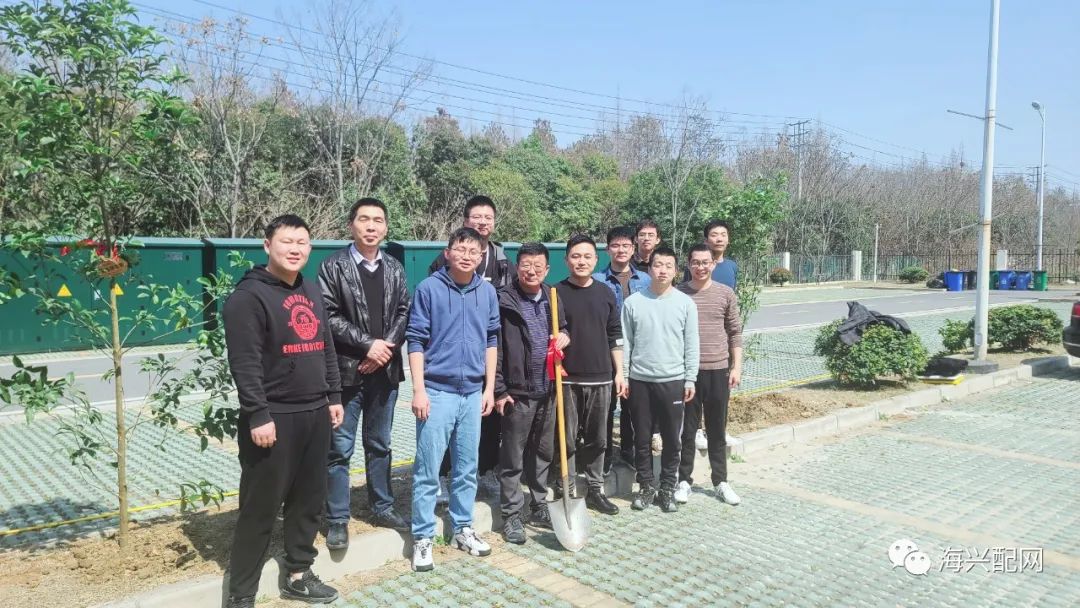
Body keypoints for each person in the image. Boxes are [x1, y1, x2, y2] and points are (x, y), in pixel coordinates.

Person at [224, 214, 343, 607]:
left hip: (315, 412)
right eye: (286, 241)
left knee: (308, 502)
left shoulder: (311, 289)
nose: (295, 249)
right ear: (267, 245)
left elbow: (325, 346)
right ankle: (241, 594)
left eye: (302, 242)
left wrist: (333, 396)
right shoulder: (248, 297)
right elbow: (245, 363)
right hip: (273, 418)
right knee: (259, 509)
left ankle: (298, 574)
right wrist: (258, 414)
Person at [319, 198, 411, 551]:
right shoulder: (333, 266)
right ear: (351, 225)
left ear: (386, 227)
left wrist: (383, 350)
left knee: (380, 444)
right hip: (347, 372)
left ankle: (382, 506)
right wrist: (367, 345)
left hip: (384, 372)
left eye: (378, 220)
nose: (371, 226)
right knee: (339, 448)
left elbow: (404, 310)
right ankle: (337, 518)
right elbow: (328, 315)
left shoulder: (394, 268)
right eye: (364, 219)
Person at [407, 227, 500, 572]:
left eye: (473, 251)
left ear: (481, 256)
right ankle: (422, 537)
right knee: (428, 470)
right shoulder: (429, 289)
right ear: (447, 253)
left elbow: (491, 340)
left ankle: (463, 527)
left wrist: (489, 388)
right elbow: (415, 340)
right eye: (460, 249)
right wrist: (419, 389)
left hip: (473, 393)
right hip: (437, 391)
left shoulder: (487, 292)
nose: (466, 256)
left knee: (466, 468)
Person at [427, 195, 512, 499]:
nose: (482, 222)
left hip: (488, 346)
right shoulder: (445, 260)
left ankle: (484, 470)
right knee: (446, 421)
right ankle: (442, 474)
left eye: (488, 217)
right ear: (465, 220)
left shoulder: (503, 260)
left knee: (488, 416)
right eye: (476, 217)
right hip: (450, 356)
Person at [493, 243, 570, 544]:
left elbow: (563, 328)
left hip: (549, 389)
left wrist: (565, 336)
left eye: (538, 266)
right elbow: (495, 347)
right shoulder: (503, 300)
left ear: (547, 269)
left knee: (543, 453)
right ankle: (512, 514)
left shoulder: (552, 296)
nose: (531, 271)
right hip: (518, 392)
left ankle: (539, 504)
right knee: (512, 457)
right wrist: (500, 389)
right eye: (526, 264)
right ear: (517, 266)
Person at [621, 246, 699, 514]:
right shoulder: (633, 303)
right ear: (649, 268)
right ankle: (645, 486)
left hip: (673, 380)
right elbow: (626, 343)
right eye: (657, 265)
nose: (662, 270)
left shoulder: (685, 304)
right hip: (639, 380)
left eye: (668, 266)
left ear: (676, 271)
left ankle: (667, 487)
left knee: (672, 439)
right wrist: (624, 376)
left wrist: (690, 379)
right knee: (641, 437)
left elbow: (692, 344)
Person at [555, 234, 624, 516]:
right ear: (566, 260)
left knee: (598, 439)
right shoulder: (555, 293)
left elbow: (614, 335)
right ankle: (566, 488)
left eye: (587, 257)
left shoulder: (605, 293)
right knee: (566, 438)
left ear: (596, 260)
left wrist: (620, 373)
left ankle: (596, 489)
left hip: (602, 378)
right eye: (575, 256)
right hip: (567, 379)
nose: (581, 261)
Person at [674, 244, 743, 506]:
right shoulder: (678, 293)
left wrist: (736, 367)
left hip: (718, 371)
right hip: (688, 373)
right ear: (688, 264)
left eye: (706, 262)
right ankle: (684, 481)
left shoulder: (726, 293)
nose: (701, 267)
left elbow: (735, 332)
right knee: (687, 431)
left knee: (717, 430)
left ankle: (720, 481)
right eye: (696, 262)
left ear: (713, 264)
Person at [593, 226, 651, 473]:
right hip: (605, 351)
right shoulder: (597, 279)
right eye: (615, 245)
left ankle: (628, 450)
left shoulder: (645, 280)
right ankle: (604, 454)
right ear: (608, 249)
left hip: (637, 351)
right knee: (606, 406)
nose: (621, 250)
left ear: (633, 248)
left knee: (632, 405)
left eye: (626, 245)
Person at [682, 220, 738, 289]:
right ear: (706, 241)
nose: (719, 239)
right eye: (714, 235)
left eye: (723, 235)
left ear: (728, 240)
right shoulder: (695, 267)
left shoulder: (732, 266)